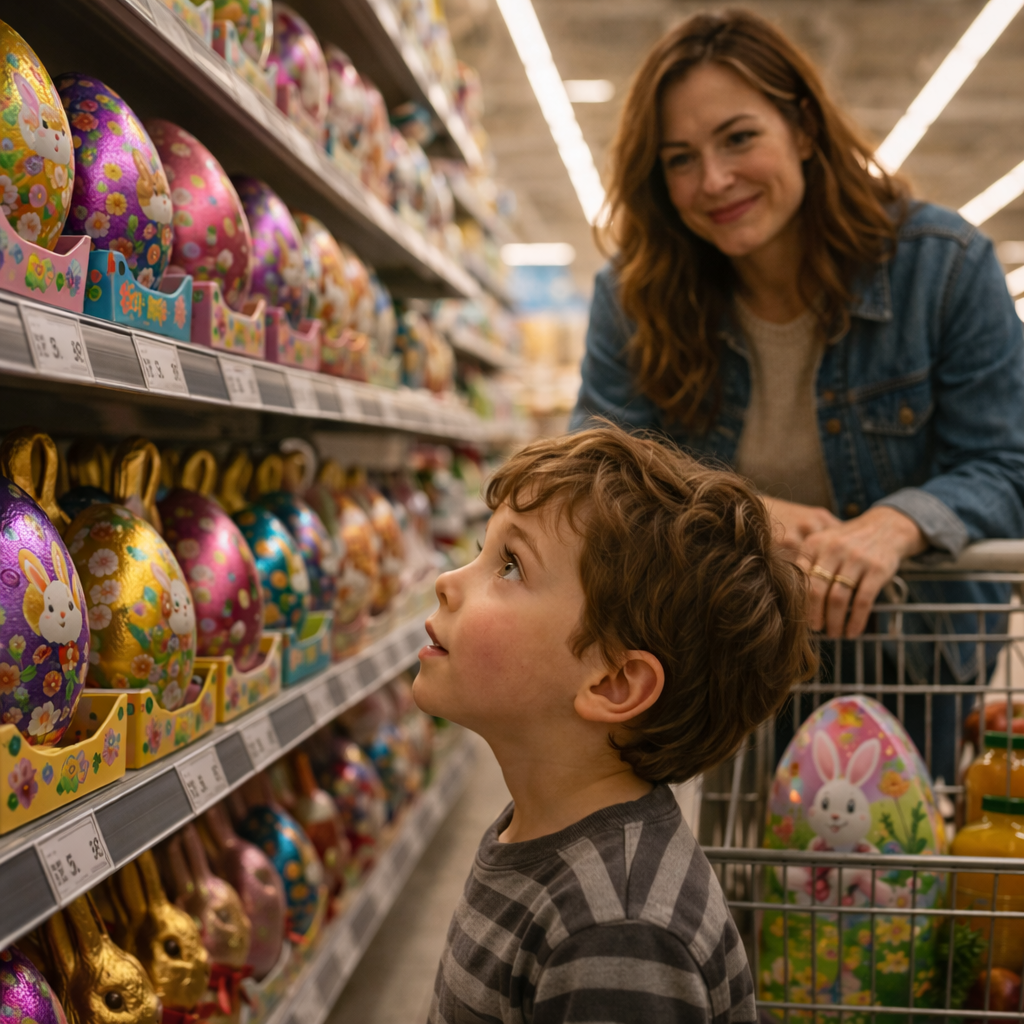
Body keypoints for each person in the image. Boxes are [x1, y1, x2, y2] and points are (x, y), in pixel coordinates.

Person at [570, 10, 1024, 785]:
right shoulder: (636, 296)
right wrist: (739, 509)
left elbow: (1006, 462)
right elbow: (594, 472)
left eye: (739, 138)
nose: (714, 180)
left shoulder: (942, 270)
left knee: (891, 882)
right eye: (680, 159)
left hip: (911, 658)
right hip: (728, 655)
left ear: (804, 129)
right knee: (745, 873)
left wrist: (897, 522)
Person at [415, 426, 815, 1023]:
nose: (448, 582)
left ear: (613, 684)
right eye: (482, 548)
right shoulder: (540, 829)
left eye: (510, 567)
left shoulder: (618, 932)